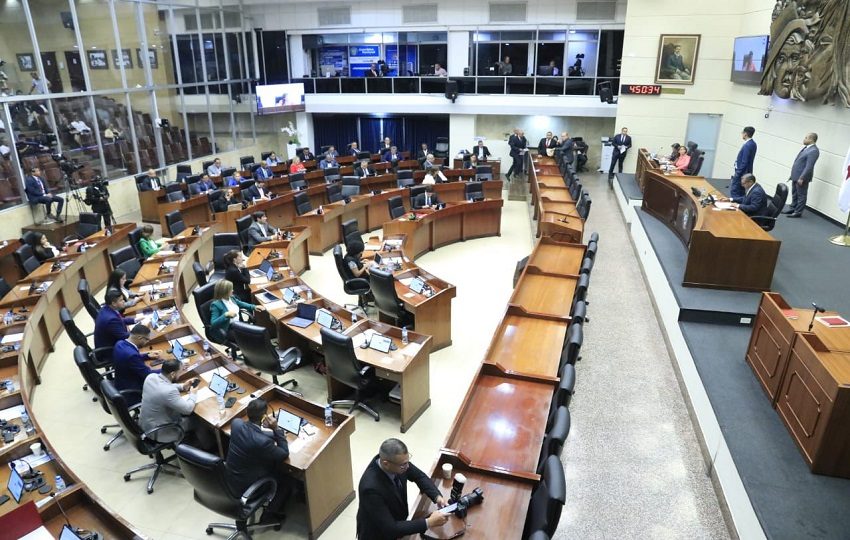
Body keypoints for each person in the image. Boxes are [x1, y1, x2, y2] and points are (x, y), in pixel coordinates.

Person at [356, 438, 448, 540]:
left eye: (408, 461)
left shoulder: (398, 463)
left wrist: (437, 496)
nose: (408, 467)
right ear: (386, 463)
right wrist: (429, 522)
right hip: (378, 534)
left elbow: (419, 476)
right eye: (404, 464)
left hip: (398, 521)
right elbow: (390, 528)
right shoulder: (370, 489)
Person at [225, 398, 292, 525]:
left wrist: (270, 433)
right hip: (248, 487)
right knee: (286, 481)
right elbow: (283, 453)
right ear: (263, 417)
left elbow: (252, 433)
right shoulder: (262, 442)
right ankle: (268, 516)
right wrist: (276, 429)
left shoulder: (236, 424)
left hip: (230, 478)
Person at [139, 359, 202, 444]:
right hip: (160, 432)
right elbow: (187, 410)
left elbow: (166, 385)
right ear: (172, 374)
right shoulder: (169, 392)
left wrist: (183, 386)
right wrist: (193, 394)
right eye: (180, 371)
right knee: (198, 421)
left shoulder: (151, 377)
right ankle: (208, 448)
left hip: (146, 425)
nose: (181, 373)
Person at [113, 324, 161, 405]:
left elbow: (128, 358)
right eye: (147, 340)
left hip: (121, 382)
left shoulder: (120, 343)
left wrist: (147, 355)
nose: (147, 342)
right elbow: (149, 375)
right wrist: (169, 368)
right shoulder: (132, 356)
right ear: (140, 338)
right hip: (133, 390)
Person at [784, 132, 820, 218]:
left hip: (802, 178)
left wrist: (802, 177)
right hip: (796, 176)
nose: (804, 139)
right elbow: (799, 162)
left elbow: (809, 166)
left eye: (806, 137)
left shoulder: (814, 151)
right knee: (795, 193)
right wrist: (792, 175)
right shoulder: (806, 148)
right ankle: (793, 208)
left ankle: (798, 212)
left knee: (801, 195)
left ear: (811, 140)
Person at [94, 289, 135, 363]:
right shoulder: (111, 319)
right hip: (110, 351)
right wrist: (138, 331)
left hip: (109, 343)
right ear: (113, 303)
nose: (124, 302)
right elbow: (124, 337)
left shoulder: (106, 309)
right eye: (121, 300)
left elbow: (120, 320)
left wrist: (135, 320)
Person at [210, 279, 254, 343]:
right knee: (250, 338)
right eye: (230, 290)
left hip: (238, 324)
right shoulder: (216, 305)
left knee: (256, 333)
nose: (233, 290)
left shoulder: (232, 298)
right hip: (228, 328)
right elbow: (213, 323)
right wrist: (225, 315)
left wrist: (254, 307)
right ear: (224, 291)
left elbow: (241, 304)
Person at [731, 126, 757, 198]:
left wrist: (738, 173)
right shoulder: (753, 144)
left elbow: (744, 162)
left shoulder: (747, 145)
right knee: (742, 193)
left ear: (745, 134)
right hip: (747, 172)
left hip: (742, 173)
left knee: (735, 192)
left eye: (742, 133)